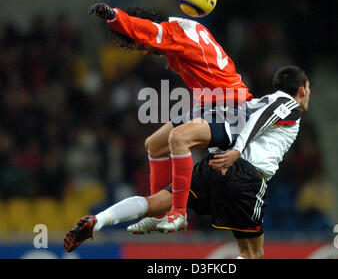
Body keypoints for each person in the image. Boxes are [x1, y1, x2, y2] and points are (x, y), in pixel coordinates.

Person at [64, 66, 310, 259]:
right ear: (302, 89)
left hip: (215, 166)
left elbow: (230, 119)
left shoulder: (257, 101)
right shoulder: (287, 104)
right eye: (308, 88)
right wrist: (236, 150)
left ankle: (100, 220)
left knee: (157, 202)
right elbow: (260, 119)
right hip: (246, 176)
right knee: (253, 253)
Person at [88, 2, 253, 232]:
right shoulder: (184, 29)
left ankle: (178, 212)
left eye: (140, 46)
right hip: (210, 104)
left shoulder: (173, 33)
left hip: (233, 108)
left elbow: (146, 30)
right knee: (154, 144)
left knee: (178, 138)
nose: (144, 52)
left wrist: (114, 16)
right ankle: (158, 212)